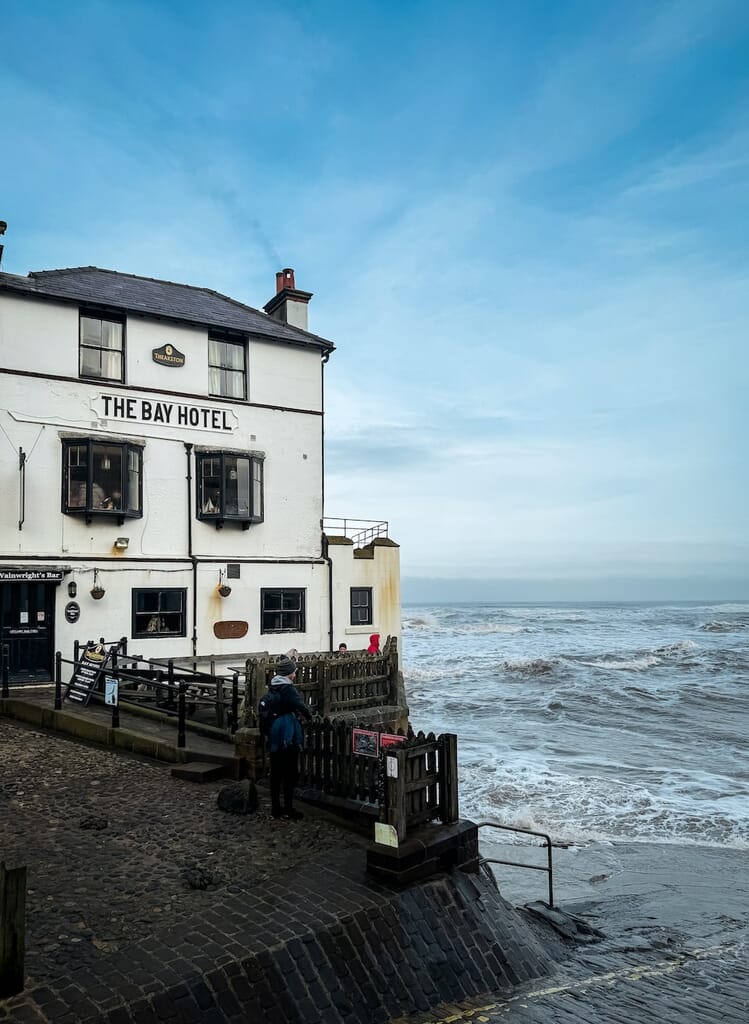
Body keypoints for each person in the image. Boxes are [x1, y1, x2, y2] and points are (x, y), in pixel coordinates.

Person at [266, 655, 311, 820]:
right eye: (293, 672)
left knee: (276, 772)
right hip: (287, 734)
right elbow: (300, 706)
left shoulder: (273, 686)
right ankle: (289, 809)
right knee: (290, 773)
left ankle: (276, 808)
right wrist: (309, 716)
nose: (294, 675)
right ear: (289, 673)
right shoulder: (288, 688)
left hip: (274, 733)